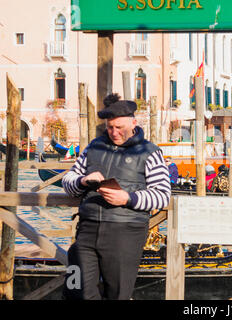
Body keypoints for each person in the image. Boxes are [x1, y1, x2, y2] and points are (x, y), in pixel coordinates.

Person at [61, 93, 171, 300]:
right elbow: (68, 181)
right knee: (78, 292)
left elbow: (162, 195)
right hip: (88, 229)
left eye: (119, 127)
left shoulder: (150, 152)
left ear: (134, 123)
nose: (114, 132)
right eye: (110, 127)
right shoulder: (93, 147)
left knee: (118, 295)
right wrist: (83, 180)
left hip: (126, 232)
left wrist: (128, 198)